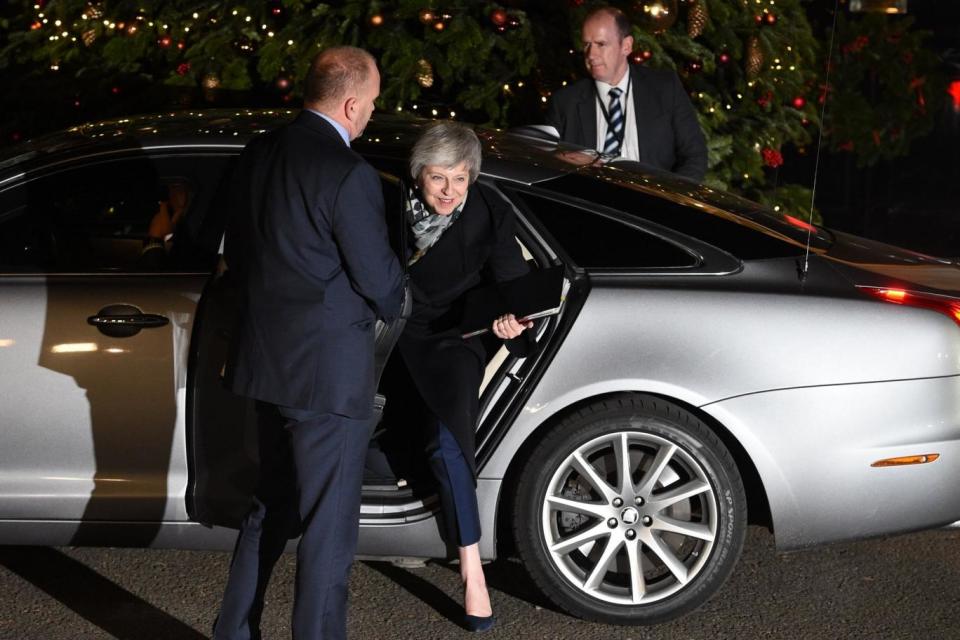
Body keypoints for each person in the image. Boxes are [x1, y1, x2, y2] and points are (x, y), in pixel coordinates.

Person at [212, 46, 405, 640]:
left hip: (265, 365)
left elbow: (238, 253)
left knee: (270, 507)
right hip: (326, 378)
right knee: (327, 531)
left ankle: (233, 633)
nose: (371, 115)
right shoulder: (349, 174)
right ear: (350, 104)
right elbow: (379, 282)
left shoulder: (259, 153)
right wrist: (403, 289)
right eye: (371, 104)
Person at [396, 121, 535, 633]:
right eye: (438, 179)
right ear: (418, 176)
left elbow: (514, 286)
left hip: (456, 334)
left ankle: (471, 568)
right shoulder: (389, 205)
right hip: (392, 330)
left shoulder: (489, 209)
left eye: (460, 178)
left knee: (447, 442)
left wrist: (510, 321)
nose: (450, 192)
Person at [546, 6, 707, 181]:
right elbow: (544, 163)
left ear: (626, 46)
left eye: (601, 44)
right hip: (592, 203)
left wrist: (669, 201)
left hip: (652, 203)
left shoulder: (665, 88)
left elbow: (695, 155)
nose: (591, 54)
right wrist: (569, 163)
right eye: (586, 44)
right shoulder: (565, 102)